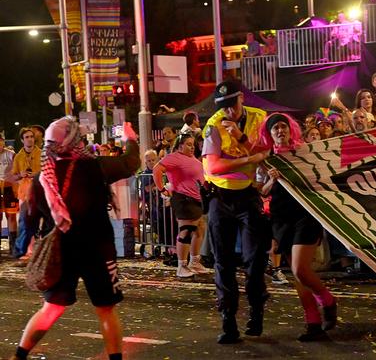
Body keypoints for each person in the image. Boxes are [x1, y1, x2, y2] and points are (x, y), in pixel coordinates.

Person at [11, 117, 140, 360]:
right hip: (98, 249)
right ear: (73, 141)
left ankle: (19, 355)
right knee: (105, 309)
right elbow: (130, 162)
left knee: (52, 308)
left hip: (62, 252)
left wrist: (23, 246)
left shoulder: (41, 179)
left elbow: (28, 217)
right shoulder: (95, 167)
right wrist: (130, 137)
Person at [258, 113, 337, 341]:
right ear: (270, 134)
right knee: (297, 275)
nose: (280, 131)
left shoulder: (304, 152)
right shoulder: (269, 159)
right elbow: (262, 190)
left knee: (302, 270)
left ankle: (327, 301)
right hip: (281, 219)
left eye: (283, 127)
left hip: (305, 216)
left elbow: (320, 177)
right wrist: (273, 179)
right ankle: (313, 323)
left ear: (290, 129)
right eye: (275, 129)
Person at [202, 80, 270, 344]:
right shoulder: (213, 124)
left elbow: (266, 153)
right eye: (224, 107)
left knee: (254, 259)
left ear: (241, 98)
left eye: (232, 104)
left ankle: (256, 310)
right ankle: (228, 319)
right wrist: (247, 160)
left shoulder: (259, 118)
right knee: (223, 261)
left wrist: (243, 140)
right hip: (221, 198)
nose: (229, 112)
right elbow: (213, 167)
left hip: (249, 195)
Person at [153, 133, 209, 278]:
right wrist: (162, 189)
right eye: (189, 144)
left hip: (196, 198)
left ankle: (194, 262)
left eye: (193, 145)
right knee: (186, 230)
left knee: (200, 229)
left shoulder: (192, 158)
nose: (192, 147)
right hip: (183, 198)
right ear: (180, 145)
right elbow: (157, 170)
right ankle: (181, 265)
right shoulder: (174, 157)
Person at [11, 127, 41, 258]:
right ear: (22, 140)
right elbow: (14, 176)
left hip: (39, 189)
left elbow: (48, 171)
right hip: (24, 190)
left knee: (41, 221)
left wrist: (37, 174)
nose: (30, 139)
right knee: (25, 221)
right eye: (27, 137)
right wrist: (20, 174)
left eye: (31, 136)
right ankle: (28, 251)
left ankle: (41, 250)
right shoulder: (18, 156)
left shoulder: (42, 153)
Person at [0, 132, 17, 256]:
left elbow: (17, 171)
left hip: (9, 189)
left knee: (11, 216)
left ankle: (13, 245)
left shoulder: (11, 154)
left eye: (1, 140)